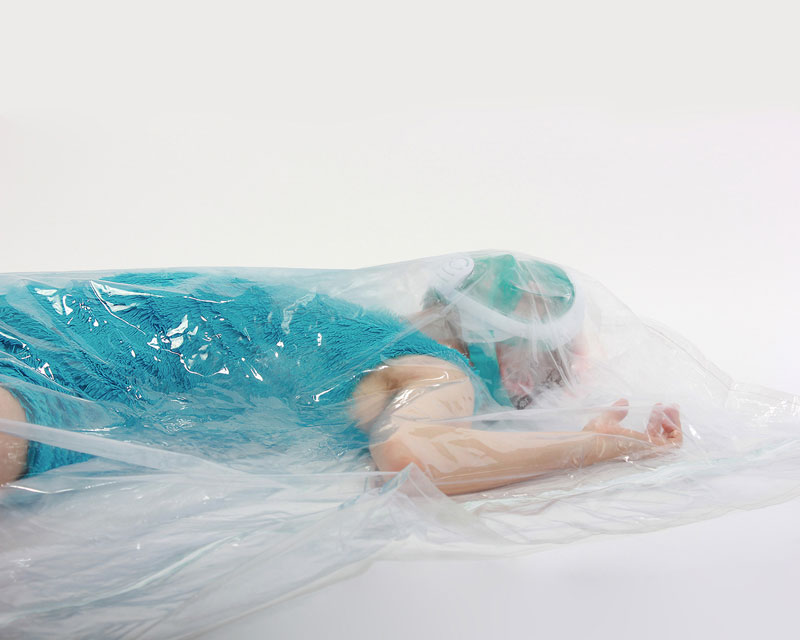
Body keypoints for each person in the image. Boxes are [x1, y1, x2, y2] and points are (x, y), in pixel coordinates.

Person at [0, 253, 683, 494]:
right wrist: (593, 446)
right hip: (82, 376)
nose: (538, 387)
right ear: (504, 349)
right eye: (546, 368)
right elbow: (415, 456)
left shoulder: (357, 324)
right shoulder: (439, 371)